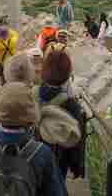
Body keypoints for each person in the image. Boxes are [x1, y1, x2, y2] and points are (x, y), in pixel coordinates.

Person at [35, 48, 84, 179]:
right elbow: (76, 138)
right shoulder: (71, 104)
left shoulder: (33, 94)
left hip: (33, 154)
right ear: (67, 73)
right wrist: (77, 165)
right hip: (59, 159)